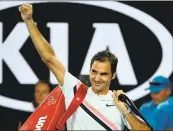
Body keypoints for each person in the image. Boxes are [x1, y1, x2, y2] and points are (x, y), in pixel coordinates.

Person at [18, 4, 151, 130]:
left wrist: (125, 110)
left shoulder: (120, 102)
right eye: (94, 72)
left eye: (103, 74)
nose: (97, 78)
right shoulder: (75, 90)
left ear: (113, 75)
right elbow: (49, 58)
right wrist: (29, 21)